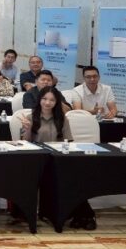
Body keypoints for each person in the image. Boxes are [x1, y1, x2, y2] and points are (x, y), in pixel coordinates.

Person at [17, 86, 92, 229]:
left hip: (57, 160)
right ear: (39, 100)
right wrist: (27, 129)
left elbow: (68, 142)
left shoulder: (62, 118)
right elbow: (25, 143)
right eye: (44, 99)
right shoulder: (30, 117)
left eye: (51, 100)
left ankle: (82, 214)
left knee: (75, 179)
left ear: (56, 102)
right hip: (37, 161)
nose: (47, 103)